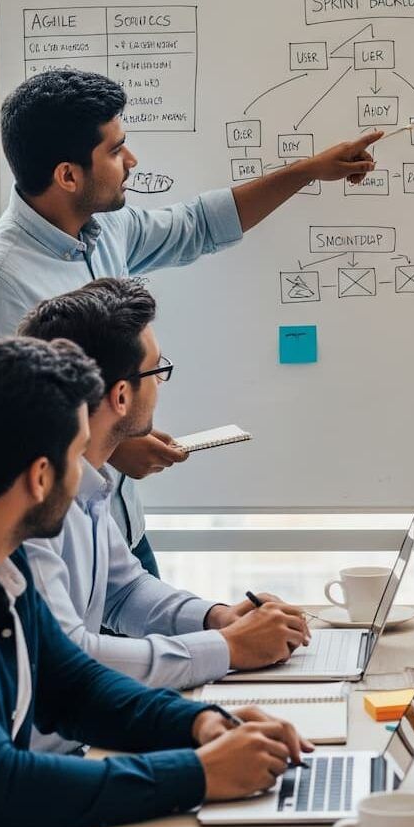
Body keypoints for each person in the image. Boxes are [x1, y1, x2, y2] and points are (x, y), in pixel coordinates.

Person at [0, 68, 383, 577]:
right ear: (68, 175)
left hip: (121, 532)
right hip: (55, 553)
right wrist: (111, 446)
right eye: (114, 150)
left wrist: (308, 171)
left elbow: (198, 224)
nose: (131, 161)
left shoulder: (104, 231)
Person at [0, 337, 310, 827]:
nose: (88, 476)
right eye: (78, 455)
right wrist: (199, 774)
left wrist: (199, 725)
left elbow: (72, 686)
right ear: (39, 477)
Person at [18, 278, 309, 752]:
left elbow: (124, 589)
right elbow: (73, 657)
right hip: (47, 763)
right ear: (120, 396)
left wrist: (217, 619)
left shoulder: (88, 482)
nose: (160, 384)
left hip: (83, 744)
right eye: (157, 371)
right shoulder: (33, 504)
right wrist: (230, 648)